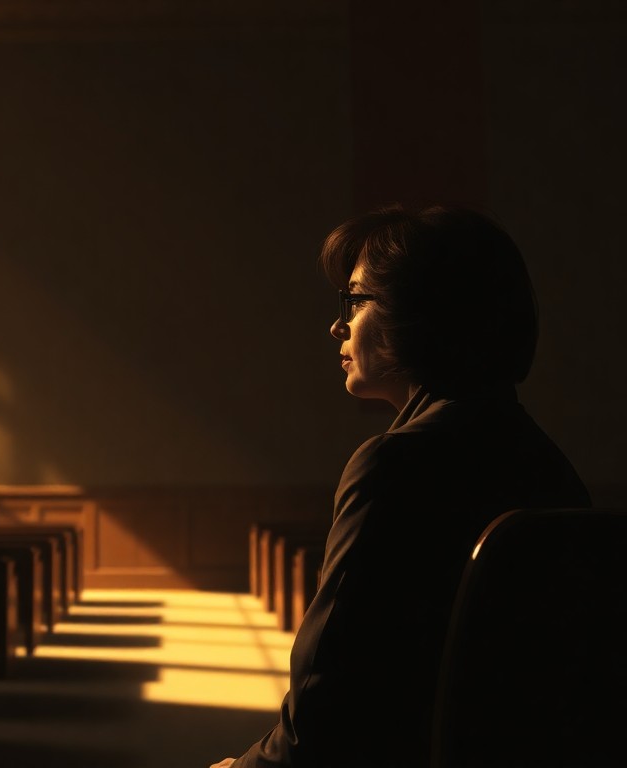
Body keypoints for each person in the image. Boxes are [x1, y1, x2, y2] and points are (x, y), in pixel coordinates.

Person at [211, 205, 591, 768]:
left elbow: (325, 712)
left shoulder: (394, 466)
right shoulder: (555, 471)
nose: (337, 325)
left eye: (357, 300)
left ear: (422, 314)